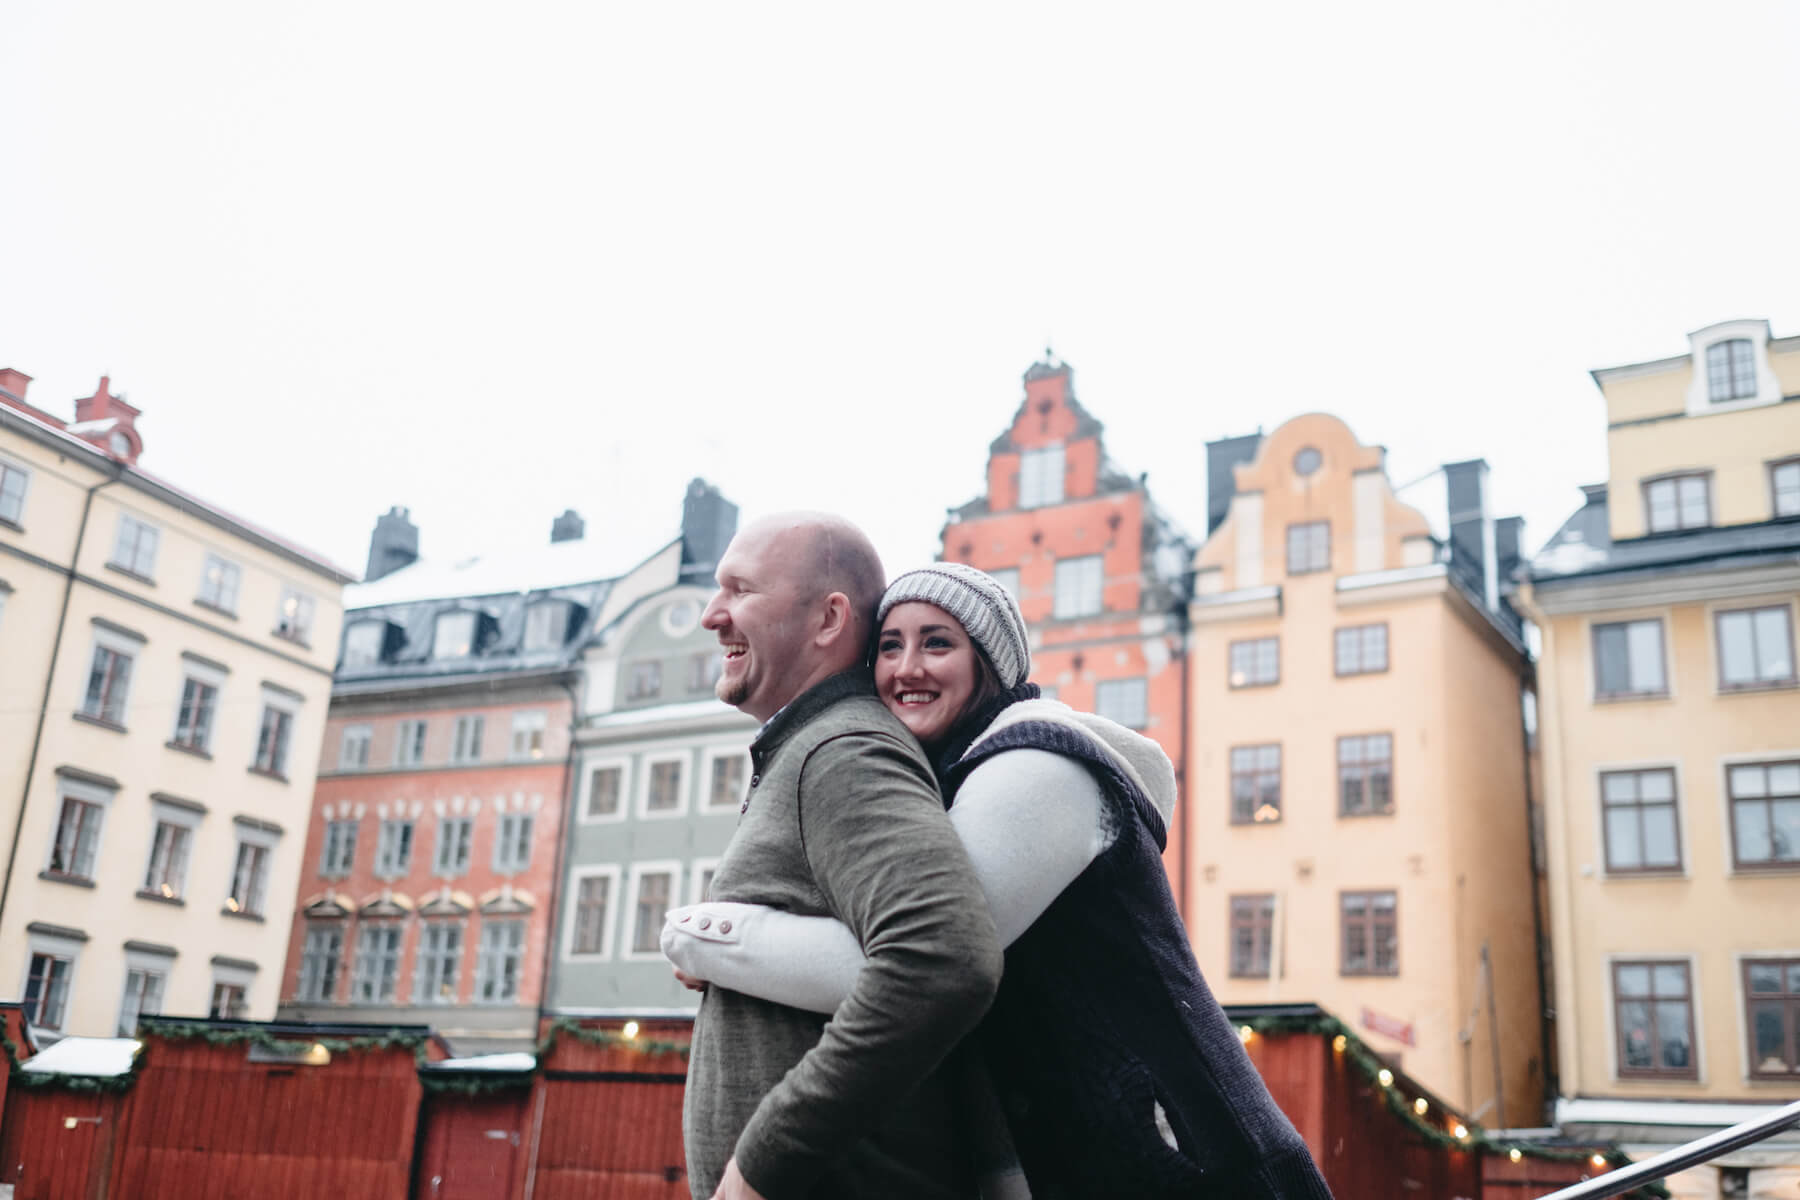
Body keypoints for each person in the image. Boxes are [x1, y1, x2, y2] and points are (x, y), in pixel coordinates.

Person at [666, 563, 1336, 1199]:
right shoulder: (952, 779)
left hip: (1192, 1160)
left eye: (937, 643)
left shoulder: (1039, 767)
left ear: (988, 662)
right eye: (890, 646)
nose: (907, 667)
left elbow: (914, 962)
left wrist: (705, 939)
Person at [680, 516, 1004, 1200]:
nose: (712, 615)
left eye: (740, 590)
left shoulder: (840, 751)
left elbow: (944, 959)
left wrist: (761, 1164)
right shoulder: (816, 747)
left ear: (828, 620)